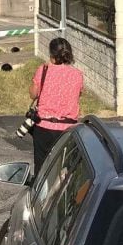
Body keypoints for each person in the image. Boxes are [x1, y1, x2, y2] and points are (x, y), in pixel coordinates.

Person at [29, 37, 84, 175]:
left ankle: (41, 194)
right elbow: (78, 94)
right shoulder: (77, 74)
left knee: (42, 168)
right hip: (68, 129)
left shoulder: (44, 70)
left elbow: (33, 94)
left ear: (51, 54)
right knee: (65, 170)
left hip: (44, 127)